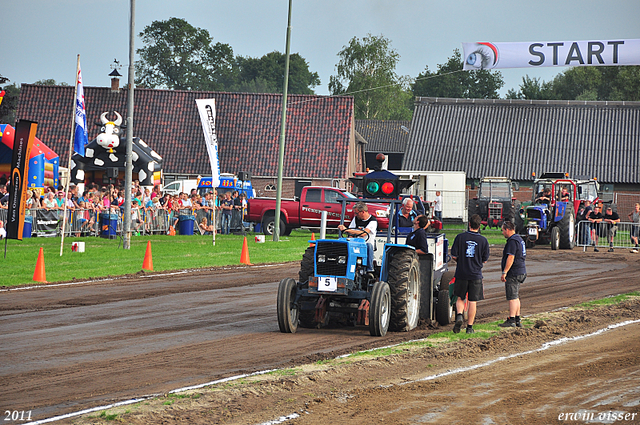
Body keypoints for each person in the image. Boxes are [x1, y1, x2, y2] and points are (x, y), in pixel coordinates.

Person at [450, 214, 490, 334]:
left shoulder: (460, 237)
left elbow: (454, 256)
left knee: (460, 297)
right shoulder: (483, 241)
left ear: (469, 224)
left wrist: (461, 260)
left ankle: (459, 316)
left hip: (461, 272)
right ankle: (470, 327)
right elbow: (485, 259)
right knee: (473, 301)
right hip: (476, 274)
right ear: (479, 226)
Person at [499, 220, 527, 328]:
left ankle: (511, 320)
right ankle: (517, 319)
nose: (502, 233)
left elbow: (511, 257)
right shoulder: (519, 239)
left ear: (507, 229)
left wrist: (504, 272)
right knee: (516, 296)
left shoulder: (512, 241)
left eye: (503, 230)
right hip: (521, 270)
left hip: (514, 272)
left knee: (512, 297)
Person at [338, 201, 377, 272]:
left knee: (369, 246)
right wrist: (349, 235)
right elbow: (351, 231)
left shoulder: (373, 221)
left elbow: (363, 233)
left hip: (365, 245)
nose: (355, 215)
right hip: (356, 244)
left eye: (357, 213)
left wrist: (346, 229)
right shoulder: (356, 219)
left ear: (363, 212)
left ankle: (369, 268)